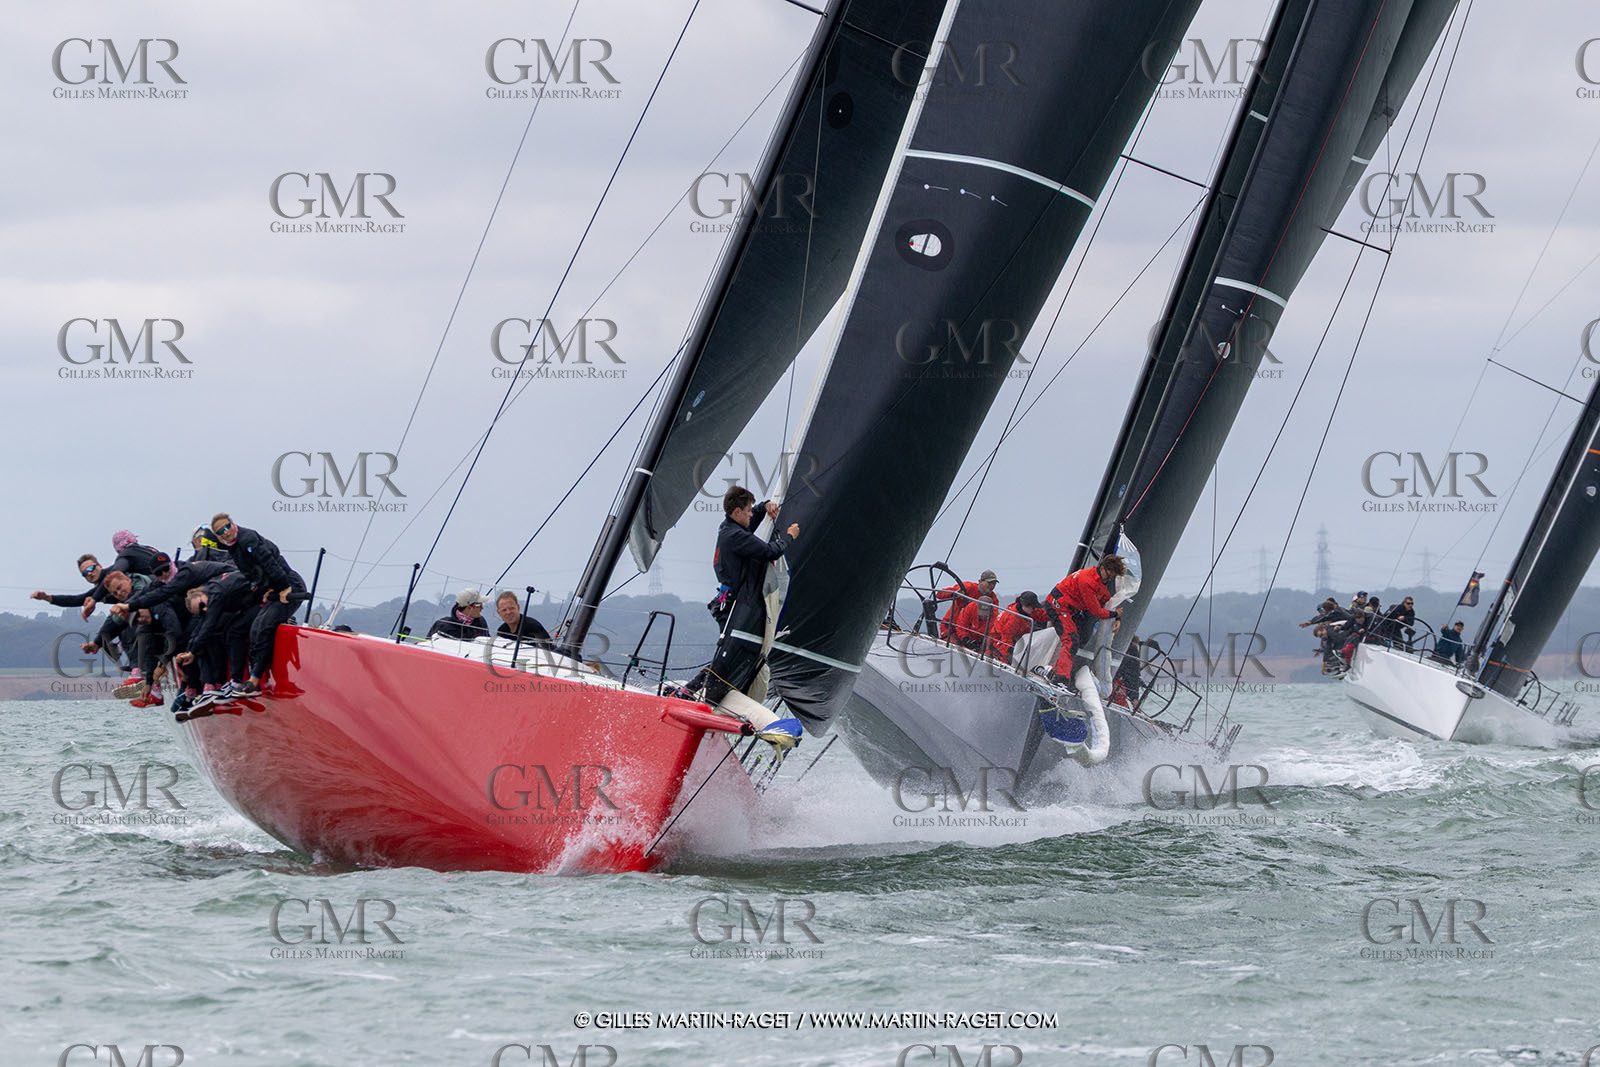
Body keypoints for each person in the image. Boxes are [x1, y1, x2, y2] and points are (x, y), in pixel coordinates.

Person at [688, 486, 798, 707]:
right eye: (747, 510)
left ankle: (697, 694)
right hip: (729, 606)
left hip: (730, 603)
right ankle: (693, 694)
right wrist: (789, 537)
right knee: (726, 659)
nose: (750, 514)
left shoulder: (731, 528)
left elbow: (751, 522)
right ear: (736, 512)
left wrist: (764, 506)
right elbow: (770, 551)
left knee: (728, 658)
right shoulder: (734, 535)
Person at [212, 513, 306, 697]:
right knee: (254, 627)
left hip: (290, 585)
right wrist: (265, 590)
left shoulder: (247, 538)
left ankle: (254, 682)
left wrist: (284, 587)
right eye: (220, 532)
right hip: (275, 588)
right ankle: (251, 679)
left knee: (263, 627)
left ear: (232, 524)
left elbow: (269, 562)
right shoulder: (233, 547)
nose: (226, 532)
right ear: (218, 536)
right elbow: (252, 574)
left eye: (227, 527)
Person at [1042, 555, 1126, 686]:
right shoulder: (1087, 581)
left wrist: (1117, 618)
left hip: (1070, 609)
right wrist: (1114, 613)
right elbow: (1096, 611)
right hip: (1057, 605)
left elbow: (1106, 601)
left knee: (1080, 638)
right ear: (1102, 567)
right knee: (1070, 640)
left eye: (1113, 576)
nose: (1110, 578)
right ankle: (1060, 678)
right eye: (1109, 574)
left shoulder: (1101, 581)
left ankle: (1054, 672)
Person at [933, 569, 999, 643]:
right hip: (951, 627)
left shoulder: (993, 600)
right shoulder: (968, 587)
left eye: (994, 584)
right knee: (954, 646)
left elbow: (992, 621)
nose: (992, 586)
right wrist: (954, 594)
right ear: (980, 581)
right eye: (989, 583)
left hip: (969, 633)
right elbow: (939, 594)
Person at [988, 591, 1053, 663]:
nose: (1034, 609)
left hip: (1018, 637)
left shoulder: (1027, 611)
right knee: (1013, 660)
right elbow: (1005, 642)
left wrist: (1055, 616)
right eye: (1032, 607)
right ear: (1025, 605)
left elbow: (1041, 615)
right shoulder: (1013, 619)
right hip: (998, 642)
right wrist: (1012, 656)